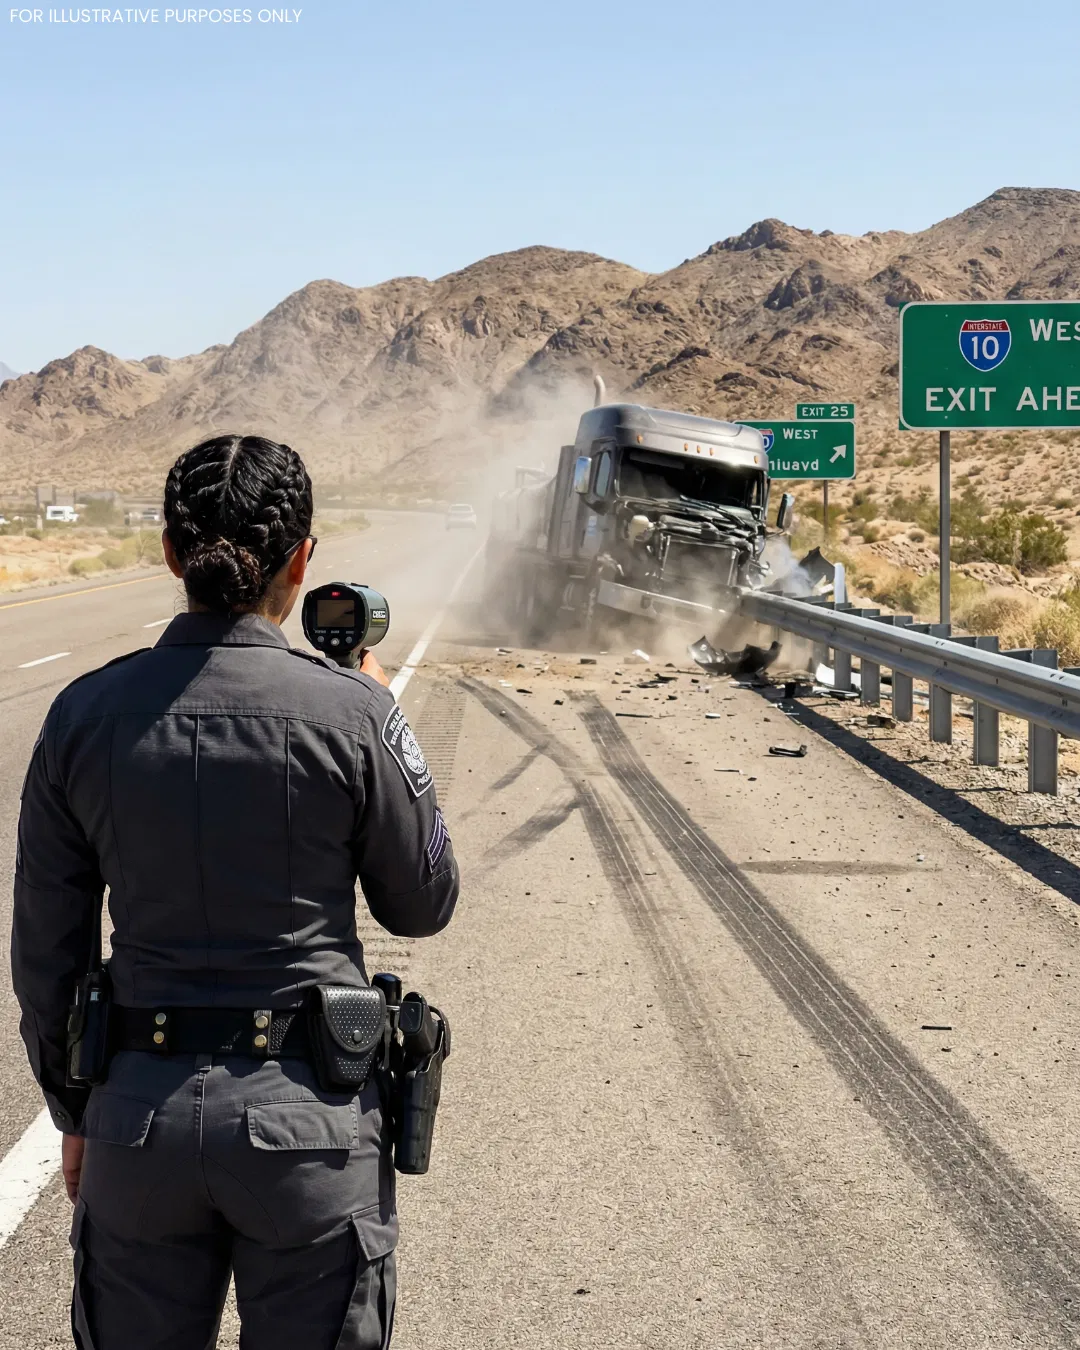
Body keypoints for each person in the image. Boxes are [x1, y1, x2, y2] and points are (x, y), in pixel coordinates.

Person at [11, 434, 460, 1350]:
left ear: (173, 555)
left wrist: (76, 1110)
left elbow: (45, 957)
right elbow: (423, 901)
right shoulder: (352, 713)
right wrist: (381, 714)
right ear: (302, 561)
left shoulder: (82, 715)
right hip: (313, 1137)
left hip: (138, 1123)